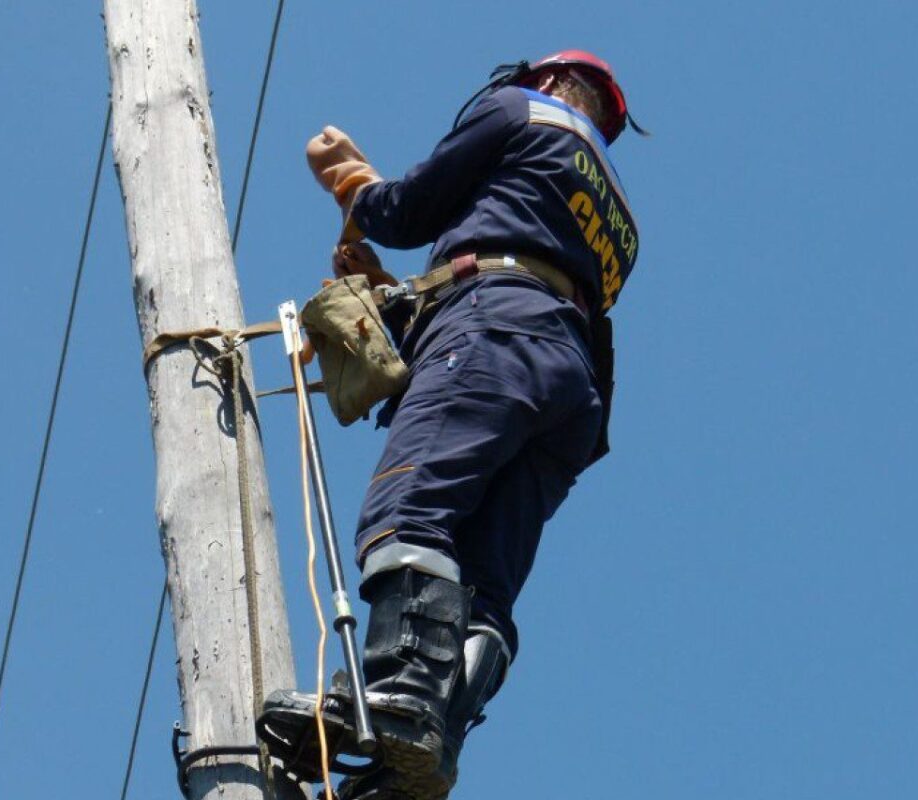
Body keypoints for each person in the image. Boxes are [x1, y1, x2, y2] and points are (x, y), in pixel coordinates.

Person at [260, 50, 642, 800]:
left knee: (408, 511)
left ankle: (399, 695)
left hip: (494, 331)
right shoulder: (621, 218)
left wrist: (355, 187)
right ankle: (431, 745)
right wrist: (398, 298)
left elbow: (410, 212)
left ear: (547, 80)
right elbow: (530, 261)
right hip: (569, 390)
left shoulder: (521, 111)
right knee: (486, 587)